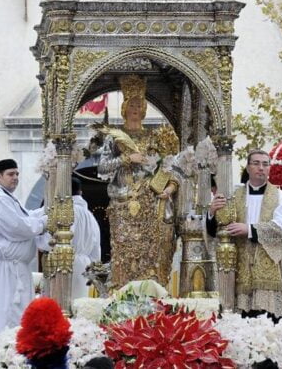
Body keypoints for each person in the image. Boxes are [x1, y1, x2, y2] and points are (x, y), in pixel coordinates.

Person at [96, 75, 180, 287]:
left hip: (149, 203)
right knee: (123, 252)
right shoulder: (114, 137)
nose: (135, 108)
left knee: (149, 255)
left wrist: (170, 187)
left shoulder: (153, 137)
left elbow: (170, 167)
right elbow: (102, 168)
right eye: (131, 104)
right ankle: (122, 292)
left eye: (139, 104)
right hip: (122, 202)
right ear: (124, 107)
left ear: (144, 109)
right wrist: (126, 158)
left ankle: (149, 295)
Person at [206, 149, 282, 322]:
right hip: (239, 273)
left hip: (269, 276)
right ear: (247, 167)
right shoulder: (234, 195)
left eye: (265, 164)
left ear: (269, 168)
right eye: (256, 163)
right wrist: (212, 211)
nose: (261, 168)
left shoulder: (281, 197)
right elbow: (216, 230)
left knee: (270, 325)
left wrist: (250, 230)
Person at [0, 158, 48, 334]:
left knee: (18, 315)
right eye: (11, 174)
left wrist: (45, 210)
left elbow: (24, 217)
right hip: (6, 269)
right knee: (7, 315)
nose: (15, 177)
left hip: (14, 266)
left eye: (17, 174)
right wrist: (44, 223)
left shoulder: (5, 198)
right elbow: (19, 227)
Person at [36, 177, 101, 299]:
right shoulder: (90, 216)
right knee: (81, 308)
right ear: (80, 192)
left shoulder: (66, 211)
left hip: (66, 263)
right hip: (86, 266)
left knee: (64, 308)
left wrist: (38, 242)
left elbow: (54, 240)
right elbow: (96, 250)